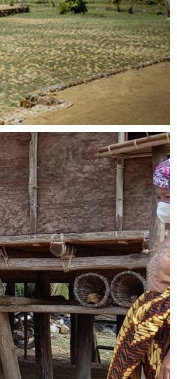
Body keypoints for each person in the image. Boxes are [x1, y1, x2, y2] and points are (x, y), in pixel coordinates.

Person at [108, 159, 170, 379]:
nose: (162, 204)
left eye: (169, 197)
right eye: (158, 197)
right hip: (151, 329)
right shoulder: (168, 238)